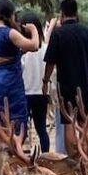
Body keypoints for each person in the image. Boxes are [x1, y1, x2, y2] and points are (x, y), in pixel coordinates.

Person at [42, 0, 88, 157]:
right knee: (85, 120)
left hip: (66, 84)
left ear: (62, 13)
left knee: (69, 121)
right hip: (85, 84)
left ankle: (74, 158)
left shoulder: (58, 34)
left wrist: (45, 81)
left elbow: (50, 62)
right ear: (76, 12)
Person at [0, 0, 39, 135]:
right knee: (15, 117)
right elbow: (34, 46)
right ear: (9, 13)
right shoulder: (10, 33)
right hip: (11, 79)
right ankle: (15, 149)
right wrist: (34, 30)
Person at [21, 12, 50, 151]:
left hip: (25, 93)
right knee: (42, 129)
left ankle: (20, 155)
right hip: (41, 93)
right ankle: (46, 156)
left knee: (22, 129)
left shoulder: (22, 50)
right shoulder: (46, 49)